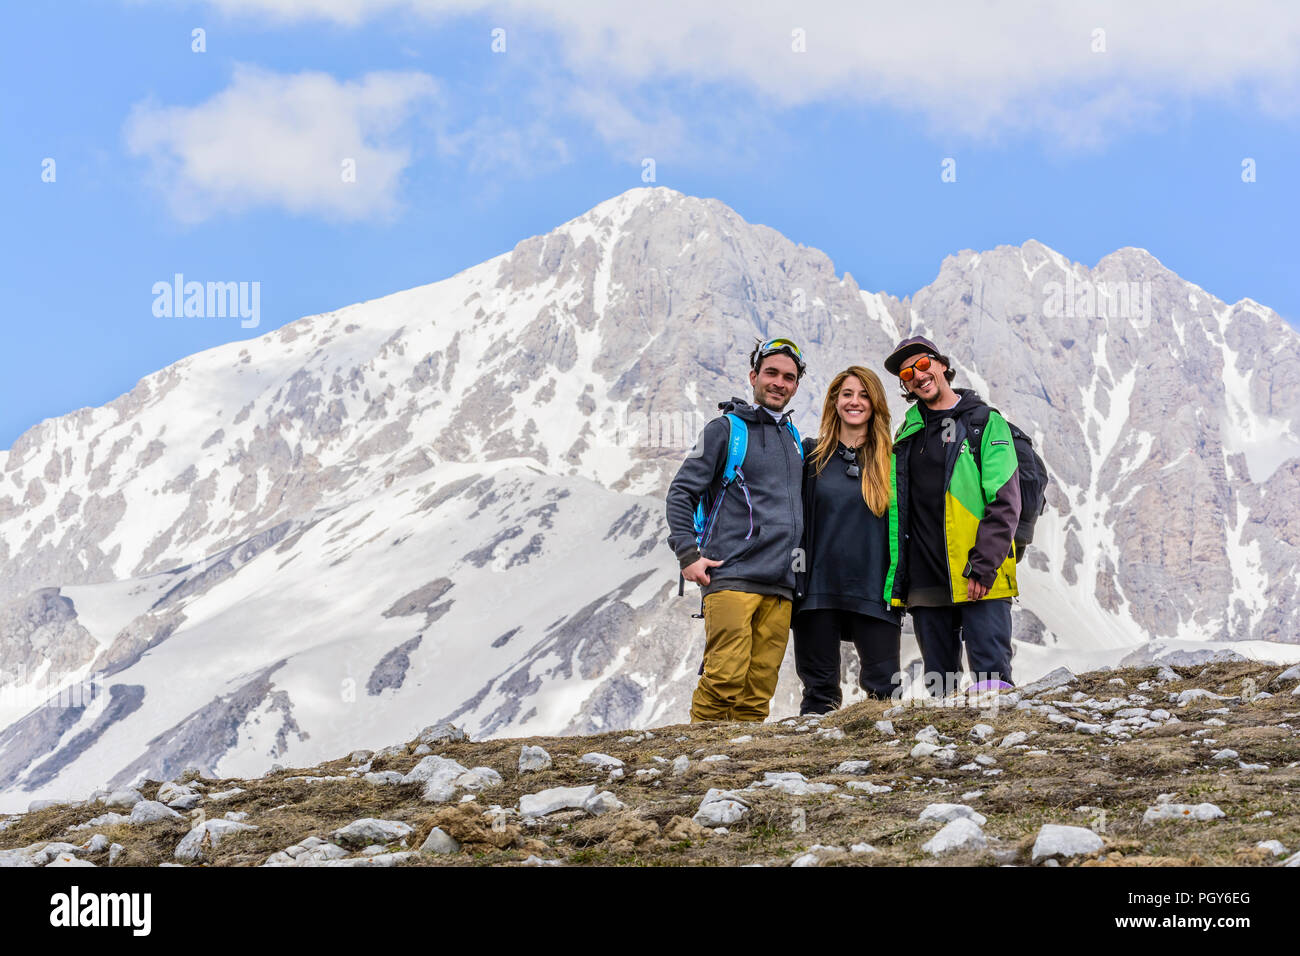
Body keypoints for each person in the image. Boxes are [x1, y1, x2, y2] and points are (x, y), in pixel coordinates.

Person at [665, 338, 807, 722]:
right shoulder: (726, 430)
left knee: (758, 691)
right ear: (754, 377)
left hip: (780, 585)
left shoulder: (794, 439)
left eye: (789, 377)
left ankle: (735, 778)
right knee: (724, 679)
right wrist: (688, 555)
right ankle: (695, 767)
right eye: (771, 373)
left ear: (796, 385)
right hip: (732, 578)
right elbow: (681, 491)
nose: (779, 383)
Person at [882, 336, 1020, 696]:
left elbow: (1005, 501)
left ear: (942, 364)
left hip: (978, 577)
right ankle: (948, 754)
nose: (918, 376)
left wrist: (983, 565)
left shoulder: (984, 422)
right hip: (925, 584)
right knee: (941, 691)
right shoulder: (907, 433)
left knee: (992, 684)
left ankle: (1000, 751)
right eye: (907, 373)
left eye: (924, 365)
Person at [792, 367, 903, 714]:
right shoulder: (810, 455)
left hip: (875, 590)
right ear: (834, 401)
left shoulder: (893, 460)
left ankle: (886, 763)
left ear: (876, 404)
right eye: (847, 394)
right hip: (816, 592)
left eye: (864, 395)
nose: (855, 401)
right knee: (818, 696)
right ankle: (811, 766)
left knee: (884, 693)